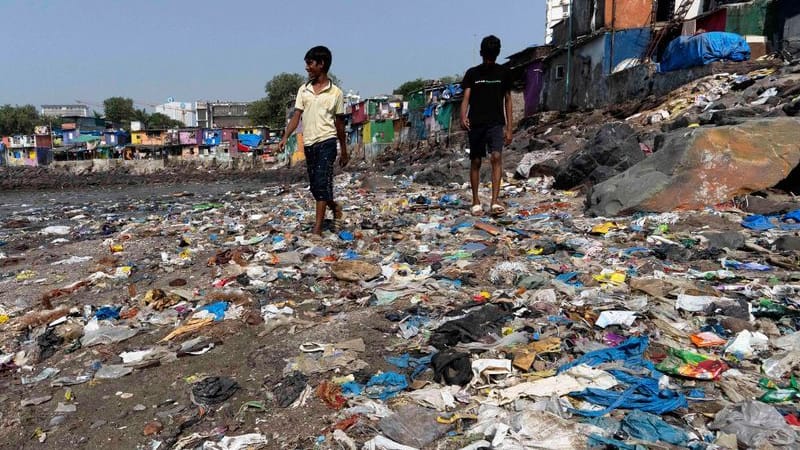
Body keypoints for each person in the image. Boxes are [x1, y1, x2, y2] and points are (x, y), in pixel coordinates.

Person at [279, 46, 349, 235]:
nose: (306, 67)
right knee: (316, 186)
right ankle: (334, 207)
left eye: (310, 63)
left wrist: (344, 150)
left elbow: (340, 124)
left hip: (327, 142)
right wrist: (286, 136)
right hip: (309, 143)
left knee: (321, 182)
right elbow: (296, 116)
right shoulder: (304, 90)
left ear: (321, 64)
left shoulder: (336, 93)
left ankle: (317, 229)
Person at [460, 35, 513, 216]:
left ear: (497, 54)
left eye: (492, 54)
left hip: (496, 123)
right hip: (476, 123)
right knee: (476, 161)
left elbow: (508, 100)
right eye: (488, 54)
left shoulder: (503, 73)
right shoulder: (472, 73)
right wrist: (462, 116)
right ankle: (475, 201)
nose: (490, 58)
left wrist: (509, 128)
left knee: (496, 157)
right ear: (482, 53)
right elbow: (466, 97)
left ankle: (494, 201)